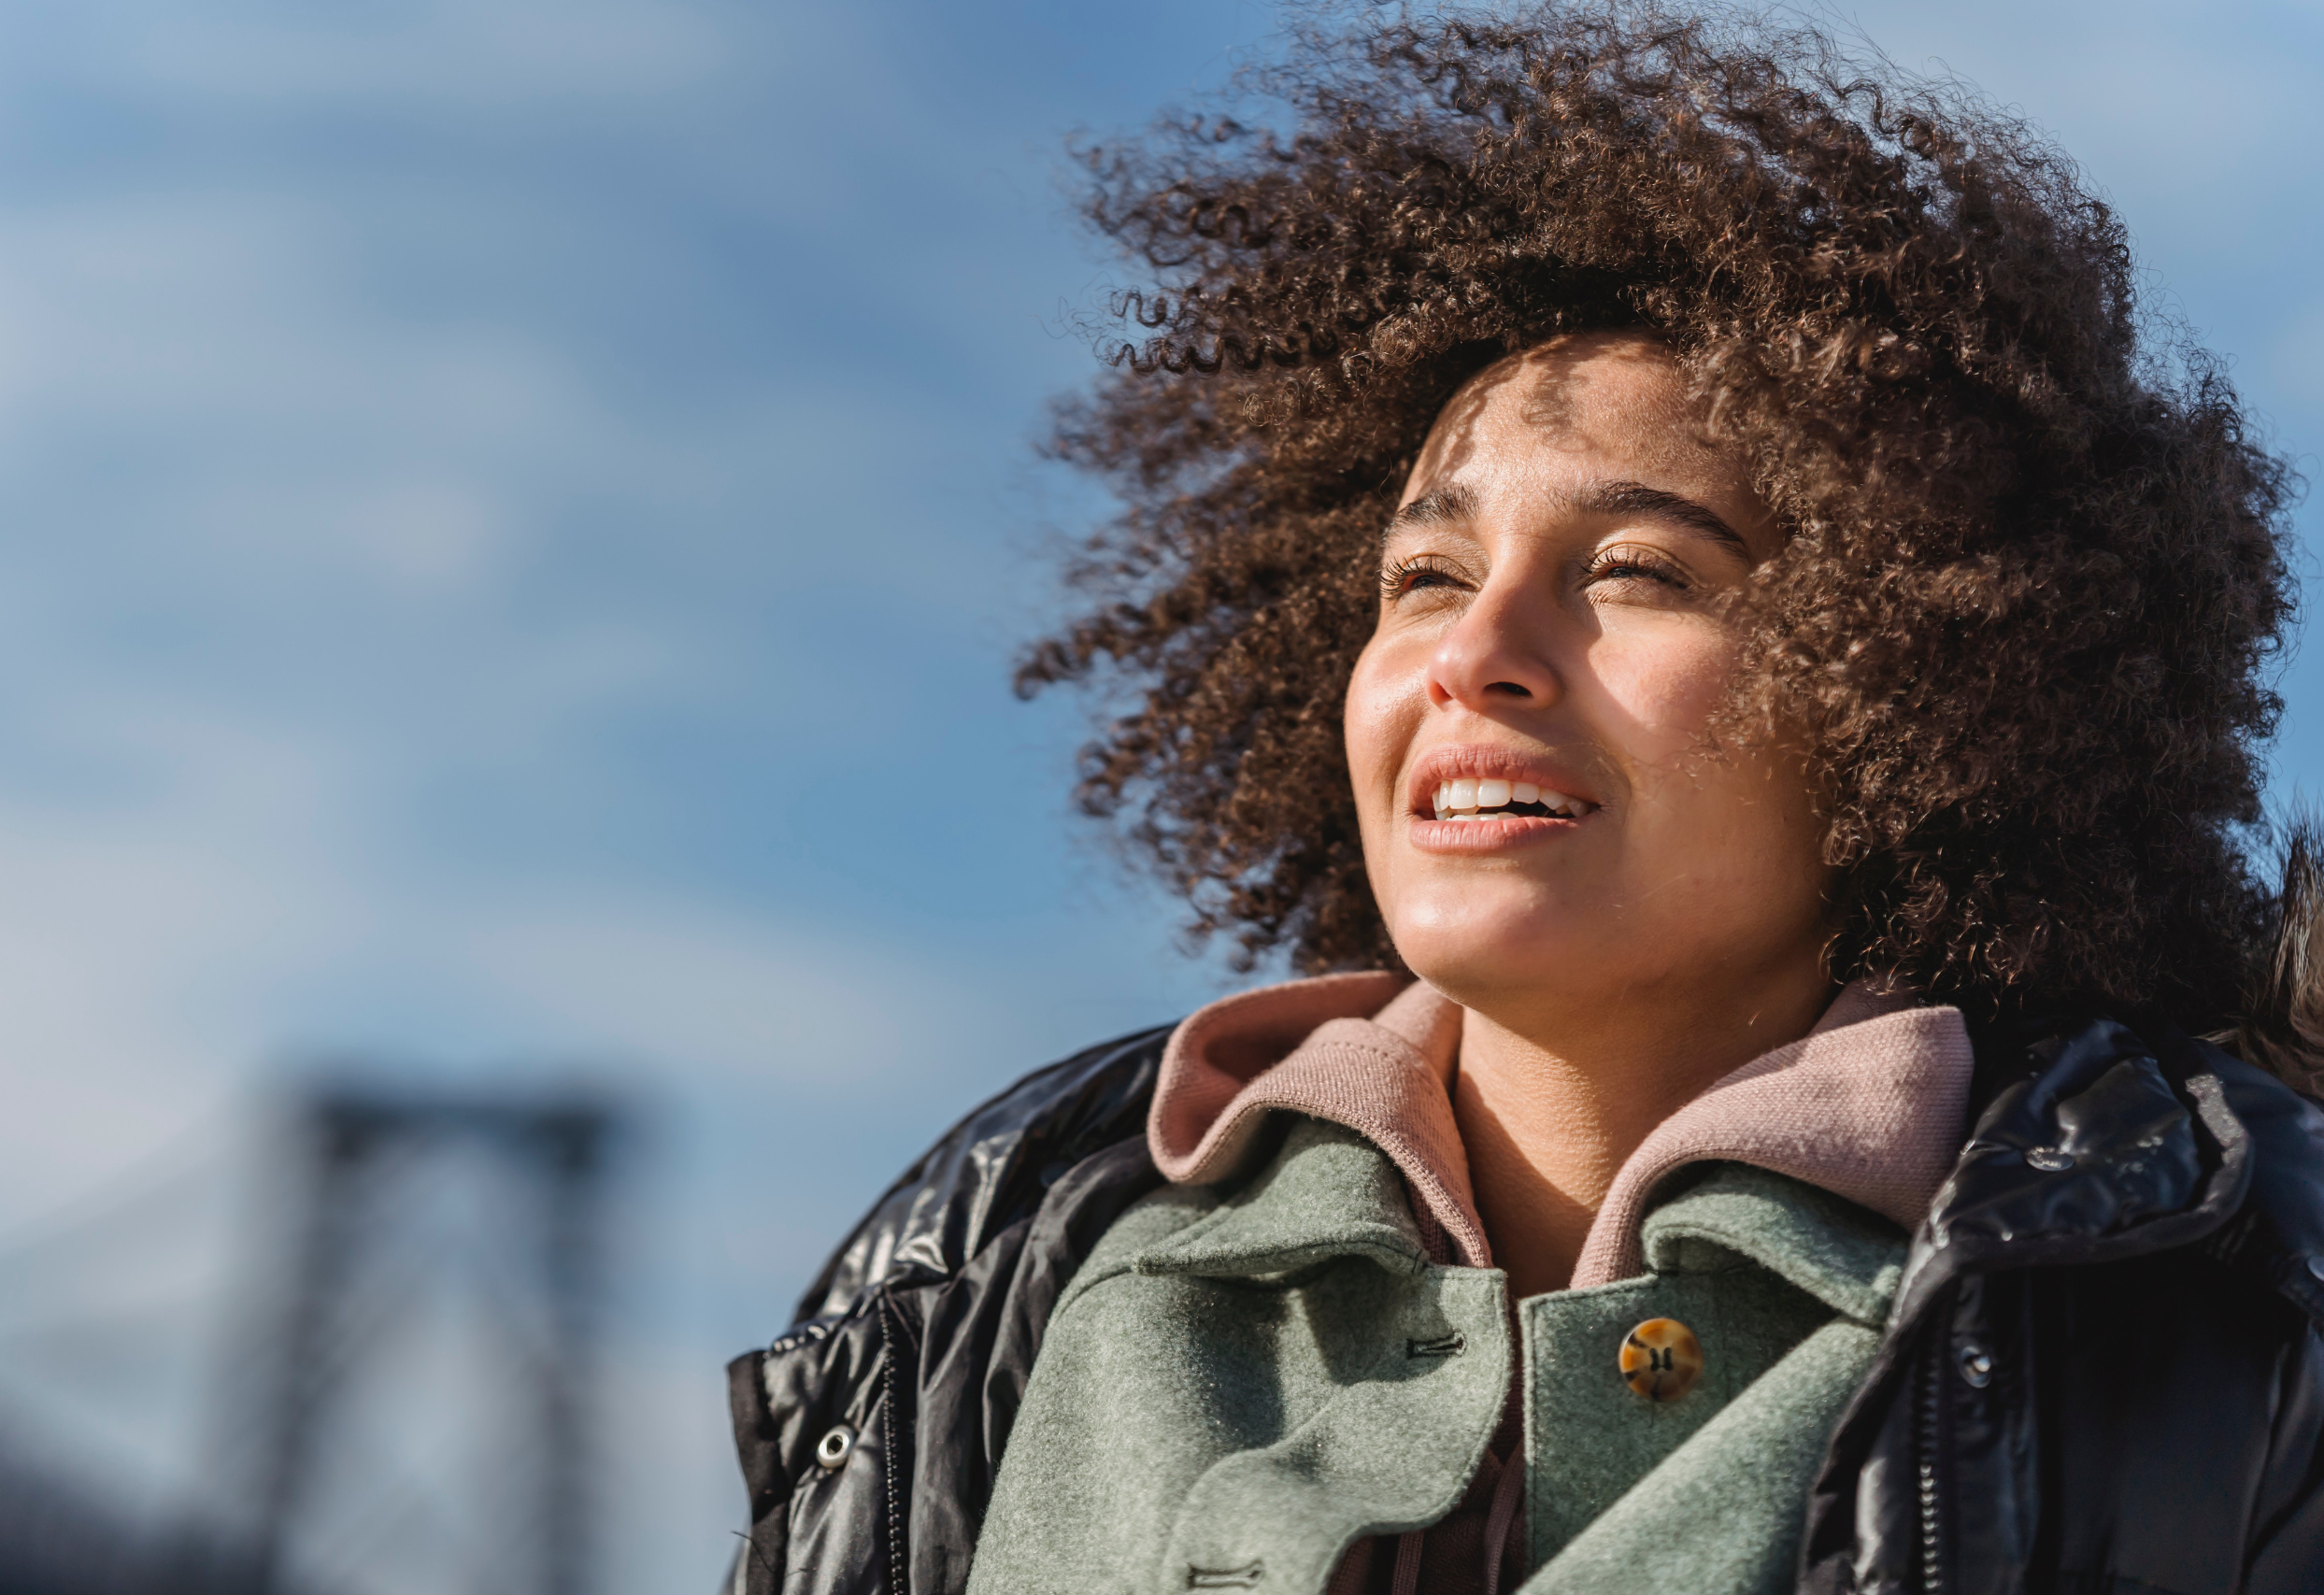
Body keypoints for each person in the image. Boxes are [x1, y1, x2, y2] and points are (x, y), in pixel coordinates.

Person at [722, 7, 2324, 1593]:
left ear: (1921, 689)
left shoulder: (2226, 1326)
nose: (1475, 654)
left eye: (1636, 569)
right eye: (1424, 576)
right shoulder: (989, 1278)